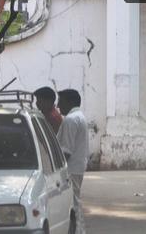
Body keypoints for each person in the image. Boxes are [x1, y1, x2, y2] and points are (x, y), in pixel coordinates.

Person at [57, 89, 89, 233]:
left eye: (60, 101)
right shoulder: (79, 116)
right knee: (75, 201)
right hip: (78, 166)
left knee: (73, 203)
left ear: (69, 102)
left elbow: (66, 151)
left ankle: (78, 231)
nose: (58, 105)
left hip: (71, 168)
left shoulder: (70, 120)